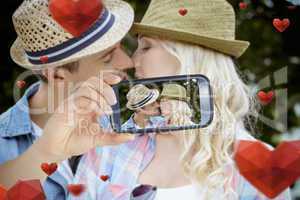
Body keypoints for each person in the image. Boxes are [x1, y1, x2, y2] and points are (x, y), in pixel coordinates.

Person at [33, 0, 292, 199]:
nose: (133, 62)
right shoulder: (109, 148)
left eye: (146, 47)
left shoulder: (258, 163)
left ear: (187, 55)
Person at [0, 0, 135, 189]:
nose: (129, 62)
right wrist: (44, 153)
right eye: (108, 57)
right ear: (56, 74)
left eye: (121, 48)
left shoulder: (124, 126)